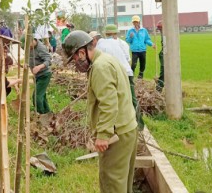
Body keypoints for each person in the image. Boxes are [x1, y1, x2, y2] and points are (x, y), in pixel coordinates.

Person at [63, 30, 137, 193]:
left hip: (116, 135)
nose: (75, 64)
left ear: (81, 52)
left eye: (74, 59)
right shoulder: (107, 59)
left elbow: (109, 103)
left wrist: (103, 134)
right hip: (127, 128)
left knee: (112, 184)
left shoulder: (100, 67)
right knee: (122, 184)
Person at [96, 24, 137, 110]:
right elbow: (127, 58)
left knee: (116, 99)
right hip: (127, 72)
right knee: (132, 98)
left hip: (114, 74)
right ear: (115, 33)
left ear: (105, 34)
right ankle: (139, 122)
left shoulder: (101, 44)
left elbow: (99, 60)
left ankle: (120, 121)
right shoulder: (123, 43)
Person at [21, 36, 52, 114]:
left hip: (44, 75)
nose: (28, 47)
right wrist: (26, 64)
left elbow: (48, 60)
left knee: (36, 97)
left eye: (28, 45)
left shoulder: (41, 48)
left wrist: (39, 67)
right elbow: (28, 57)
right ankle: (47, 113)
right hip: (36, 76)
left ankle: (41, 114)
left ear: (32, 40)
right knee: (42, 96)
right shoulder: (27, 46)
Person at [156, 21, 164, 92]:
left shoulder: (168, 33)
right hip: (163, 53)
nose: (160, 31)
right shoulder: (163, 34)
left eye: (161, 29)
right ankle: (158, 89)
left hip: (166, 53)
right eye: (159, 29)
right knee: (163, 71)